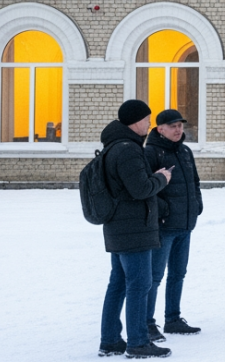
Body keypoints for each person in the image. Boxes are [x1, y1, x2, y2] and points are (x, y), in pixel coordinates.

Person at [98, 99, 173, 359]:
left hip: (118, 227)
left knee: (118, 284)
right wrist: (161, 178)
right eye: (146, 119)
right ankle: (138, 342)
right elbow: (140, 188)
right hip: (134, 229)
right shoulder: (128, 149)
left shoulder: (112, 146)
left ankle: (109, 340)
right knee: (138, 286)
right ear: (134, 121)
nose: (150, 124)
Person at [143, 109, 204, 342]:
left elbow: (195, 183)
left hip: (185, 225)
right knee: (154, 276)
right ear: (160, 129)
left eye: (180, 125)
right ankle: (148, 323)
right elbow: (146, 189)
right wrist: (164, 210)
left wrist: (197, 205)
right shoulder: (151, 153)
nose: (178, 130)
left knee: (178, 274)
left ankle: (173, 319)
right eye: (173, 126)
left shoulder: (185, 152)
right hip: (164, 226)